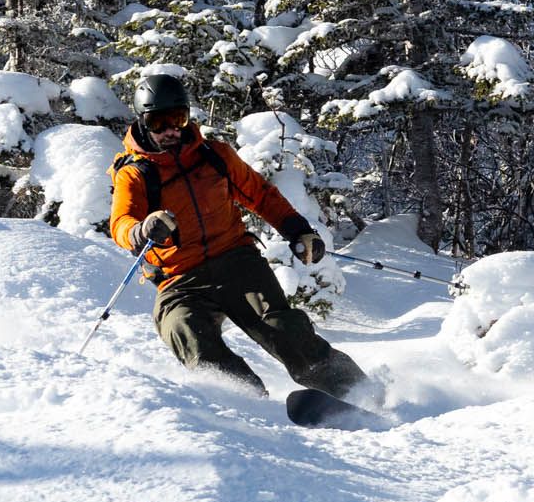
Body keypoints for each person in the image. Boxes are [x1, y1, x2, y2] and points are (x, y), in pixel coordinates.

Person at [107, 74, 370, 402]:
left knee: (283, 331)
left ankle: (359, 392)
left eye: (178, 118)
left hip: (236, 261)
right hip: (178, 278)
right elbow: (120, 221)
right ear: (143, 123)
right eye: (158, 122)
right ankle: (249, 403)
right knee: (183, 330)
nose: (171, 130)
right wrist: (141, 229)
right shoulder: (135, 172)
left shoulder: (214, 156)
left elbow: (261, 195)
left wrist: (298, 230)